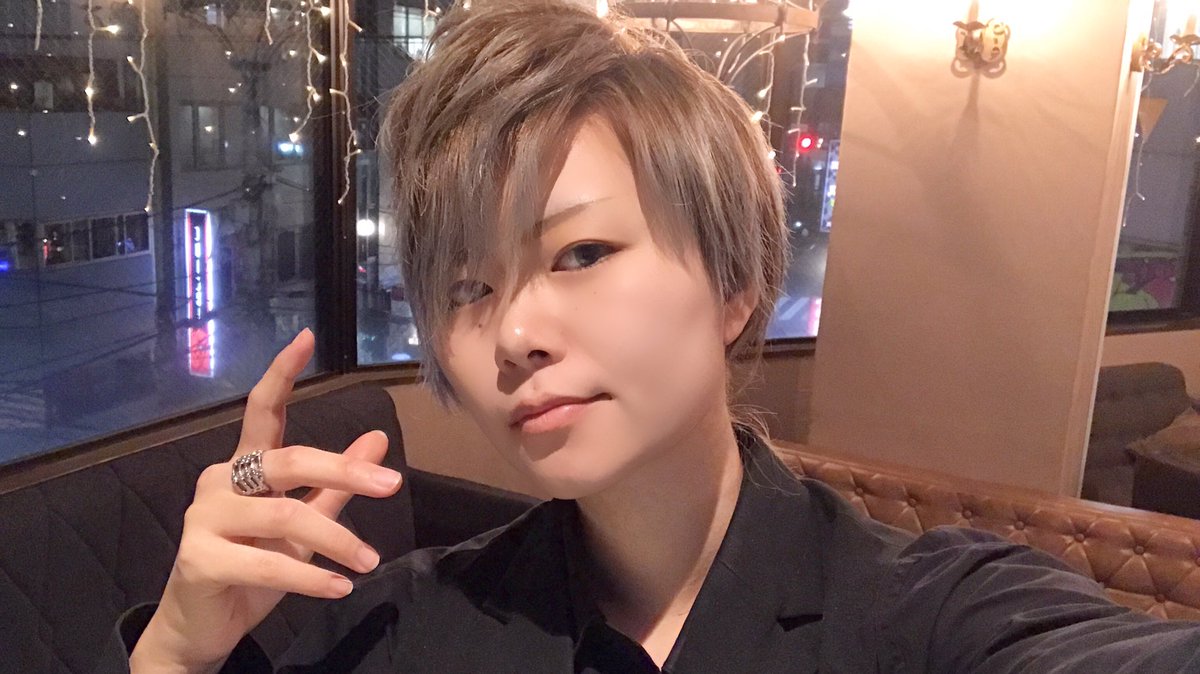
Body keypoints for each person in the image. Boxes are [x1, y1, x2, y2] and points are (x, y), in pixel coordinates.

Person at [117, 1, 1200, 671]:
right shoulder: (408, 626)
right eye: (467, 288)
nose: (515, 331)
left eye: (580, 252)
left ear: (734, 284)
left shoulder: (920, 615)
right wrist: (175, 650)